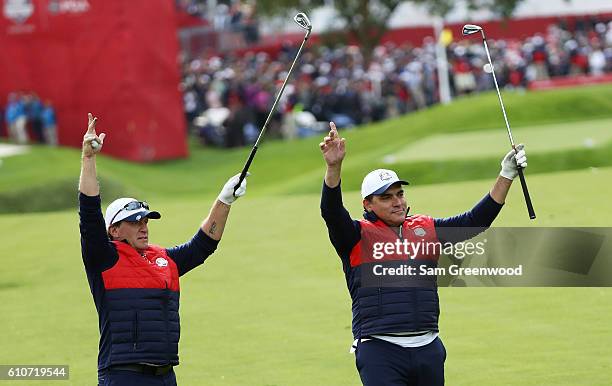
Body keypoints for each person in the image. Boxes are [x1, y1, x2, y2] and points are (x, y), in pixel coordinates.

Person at [319, 122, 527, 386]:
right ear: (367, 204)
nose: (397, 201)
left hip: (428, 348)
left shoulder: (425, 228)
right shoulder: (355, 235)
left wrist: (506, 174)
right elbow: (331, 211)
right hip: (380, 350)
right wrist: (333, 168)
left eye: (399, 194)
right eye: (386, 197)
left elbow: (475, 221)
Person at [78, 113, 249, 385]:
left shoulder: (164, 259)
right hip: (123, 376)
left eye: (145, 221)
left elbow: (203, 245)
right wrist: (88, 159)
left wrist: (224, 200)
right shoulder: (104, 258)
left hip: (166, 376)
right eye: (135, 222)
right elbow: (88, 214)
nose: (143, 227)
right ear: (114, 231)